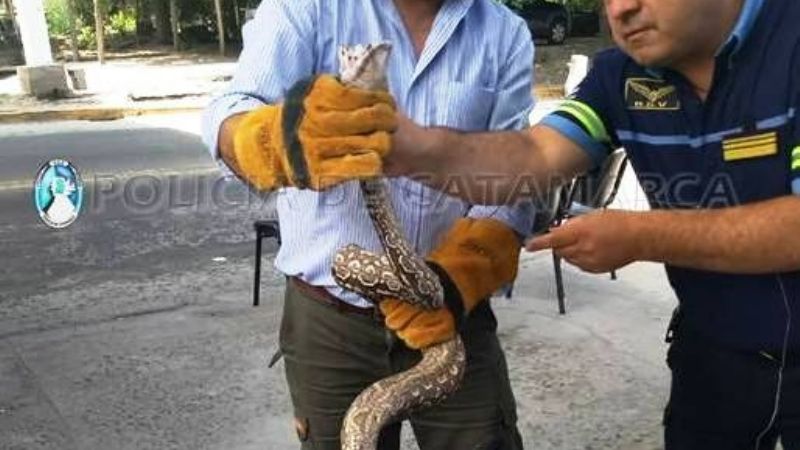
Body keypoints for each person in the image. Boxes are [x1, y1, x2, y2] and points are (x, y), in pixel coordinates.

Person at [379, 0, 800, 448]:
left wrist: (640, 235)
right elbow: (535, 156)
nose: (620, 10)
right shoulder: (619, 75)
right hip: (712, 356)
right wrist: (412, 150)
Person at [201, 0, 537, 448]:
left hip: (453, 316)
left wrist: (457, 282)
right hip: (329, 320)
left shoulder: (504, 32)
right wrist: (272, 140)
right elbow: (229, 110)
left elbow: (514, 182)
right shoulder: (306, 7)